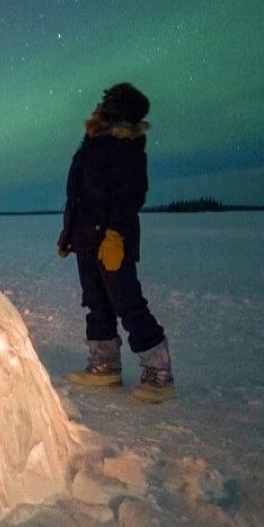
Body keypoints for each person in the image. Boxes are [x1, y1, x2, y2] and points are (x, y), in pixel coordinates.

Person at [56, 83, 174, 403]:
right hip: (86, 238)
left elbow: (129, 195)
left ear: (116, 110)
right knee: (96, 304)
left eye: (104, 102)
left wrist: (116, 234)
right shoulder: (93, 143)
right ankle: (104, 365)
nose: (97, 106)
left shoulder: (125, 146)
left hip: (110, 241)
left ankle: (159, 372)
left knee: (127, 302)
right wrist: (69, 235)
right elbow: (79, 196)